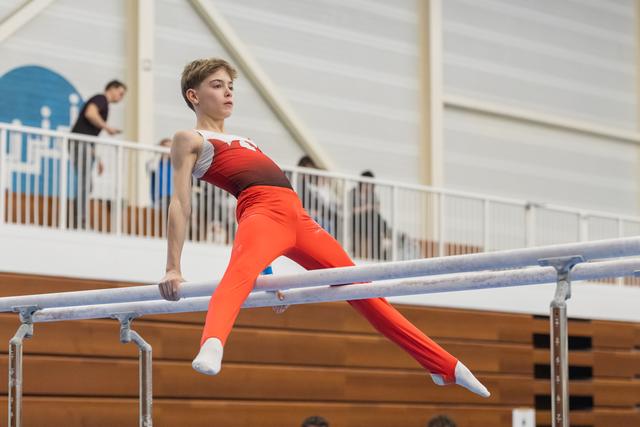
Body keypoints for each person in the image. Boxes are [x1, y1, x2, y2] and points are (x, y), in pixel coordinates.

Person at [156, 58, 489, 398]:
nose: (227, 92)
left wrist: (269, 280)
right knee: (237, 275)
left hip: (301, 220)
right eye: (217, 85)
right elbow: (181, 204)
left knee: (364, 291)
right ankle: (212, 343)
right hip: (261, 212)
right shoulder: (189, 138)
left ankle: (442, 366)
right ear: (193, 96)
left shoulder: (247, 140)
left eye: (230, 86)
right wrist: (173, 267)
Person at [69, 80, 127, 228]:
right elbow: (90, 113)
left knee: (86, 184)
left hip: (85, 145)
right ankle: (79, 220)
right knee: (85, 183)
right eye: (120, 93)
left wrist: (97, 159)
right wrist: (107, 128)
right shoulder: (101, 99)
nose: (121, 98)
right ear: (112, 89)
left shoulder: (103, 103)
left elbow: (89, 134)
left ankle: (78, 219)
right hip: (80, 144)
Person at [350, 170, 391, 260]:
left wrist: (372, 208)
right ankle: (385, 236)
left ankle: (385, 237)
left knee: (377, 218)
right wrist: (366, 207)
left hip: (370, 220)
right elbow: (349, 211)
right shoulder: (352, 193)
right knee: (374, 222)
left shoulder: (372, 194)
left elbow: (377, 208)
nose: (368, 186)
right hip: (356, 220)